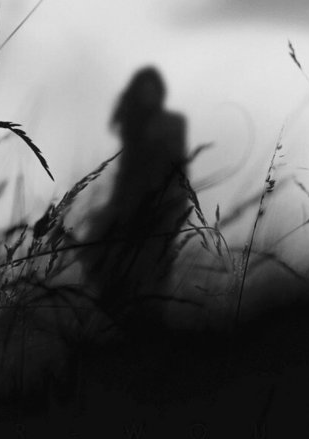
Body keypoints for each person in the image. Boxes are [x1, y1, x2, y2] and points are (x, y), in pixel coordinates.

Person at [82, 66, 188, 330]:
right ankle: (124, 324)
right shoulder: (132, 126)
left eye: (152, 90)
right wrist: (115, 210)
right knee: (106, 260)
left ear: (160, 93)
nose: (148, 96)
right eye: (143, 91)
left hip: (161, 209)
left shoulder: (171, 123)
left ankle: (147, 329)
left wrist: (170, 207)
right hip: (129, 208)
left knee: (149, 275)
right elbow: (125, 176)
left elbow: (176, 169)